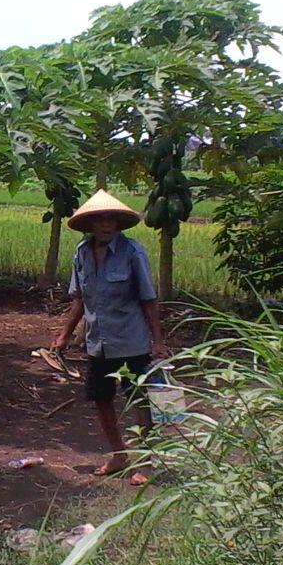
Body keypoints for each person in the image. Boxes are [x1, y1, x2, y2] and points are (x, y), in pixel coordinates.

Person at [51, 189, 168, 486]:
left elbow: (148, 299)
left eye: (110, 220)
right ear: (90, 224)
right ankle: (119, 455)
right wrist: (65, 334)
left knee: (139, 400)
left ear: (117, 224)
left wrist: (158, 340)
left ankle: (147, 461)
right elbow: (79, 299)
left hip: (130, 340)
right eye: (99, 220)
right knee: (101, 399)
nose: (105, 225)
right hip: (98, 342)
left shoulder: (133, 253)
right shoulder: (81, 253)